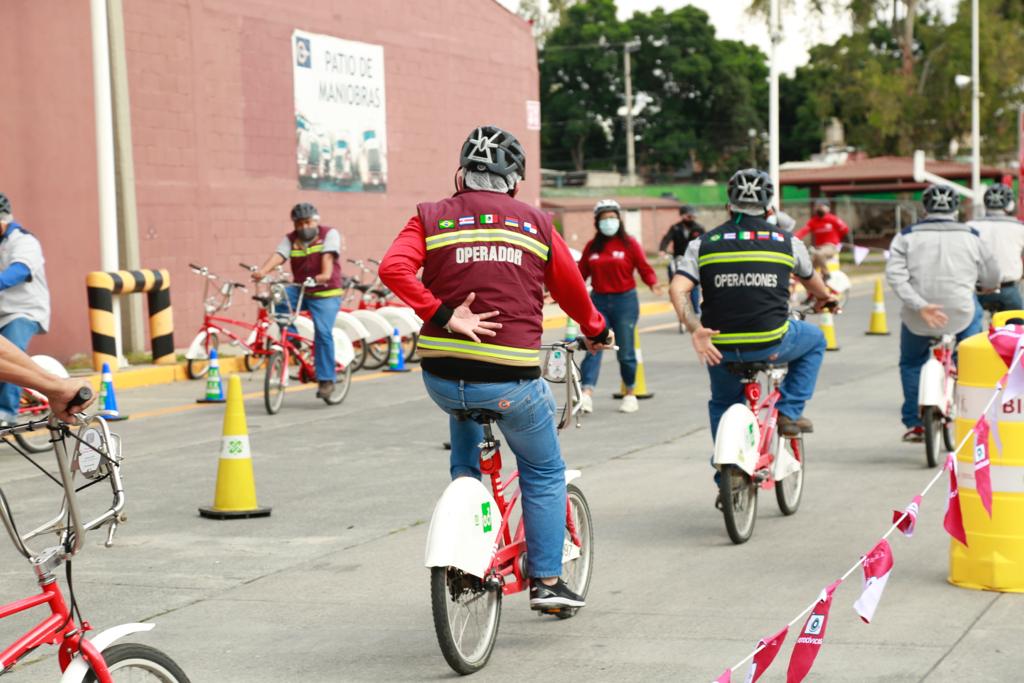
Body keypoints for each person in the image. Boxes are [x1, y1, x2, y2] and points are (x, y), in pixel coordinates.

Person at [379, 125, 612, 611]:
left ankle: (465, 524)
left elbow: (392, 270)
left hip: (442, 380)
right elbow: (572, 294)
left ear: (462, 173)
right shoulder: (537, 224)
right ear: (514, 181)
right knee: (544, 471)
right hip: (510, 383)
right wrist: (595, 330)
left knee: (465, 418)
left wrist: (444, 315)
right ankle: (547, 582)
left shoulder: (429, 217)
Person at [668, 169, 836, 457]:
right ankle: (789, 411)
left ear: (728, 205)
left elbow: (677, 289)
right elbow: (815, 285)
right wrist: (827, 298)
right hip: (771, 342)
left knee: (723, 402)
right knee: (816, 340)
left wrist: (696, 328)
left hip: (719, 347)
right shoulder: (787, 242)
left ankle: (725, 477)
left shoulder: (703, 244)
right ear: (770, 206)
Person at [886, 184, 999, 442]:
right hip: (960, 313)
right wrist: (987, 285)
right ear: (955, 208)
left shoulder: (906, 236)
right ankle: (971, 414)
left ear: (925, 208)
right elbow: (992, 272)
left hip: (919, 315)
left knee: (912, 362)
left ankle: (915, 423)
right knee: (970, 360)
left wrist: (920, 305)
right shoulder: (973, 235)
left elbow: (894, 275)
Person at [578, 199, 663, 414]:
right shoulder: (592, 247)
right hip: (598, 302)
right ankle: (586, 394)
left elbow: (644, 267)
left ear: (619, 219)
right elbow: (579, 274)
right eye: (604, 218)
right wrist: (560, 292)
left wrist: (653, 282)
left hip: (625, 302)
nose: (609, 222)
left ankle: (630, 394)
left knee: (625, 352)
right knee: (594, 348)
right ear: (597, 222)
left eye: (612, 217)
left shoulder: (629, 244)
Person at [251, 203, 342, 399]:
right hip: (301, 289)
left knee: (323, 332)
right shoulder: (290, 239)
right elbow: (279, 255)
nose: (304, 227)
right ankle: (293, 339)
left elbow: (327, 256)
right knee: (278, 295)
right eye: (299, 223)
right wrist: (262, 272)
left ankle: (326, 379)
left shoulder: (329, 234)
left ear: (316, 221)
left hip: (326, 292)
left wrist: (325, 274)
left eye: (308, 222)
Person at [0, 193, 53, 424]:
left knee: (11, 355)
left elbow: (19, 270)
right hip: (2, 313)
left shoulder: (24, 241)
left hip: (24, 311)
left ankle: (6, 412)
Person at [970, 183, 1024, 313]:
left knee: (973, 327)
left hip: (978, 289)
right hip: (1008, 288)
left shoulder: (970, 226)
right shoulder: (1019, 227)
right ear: (1010, 205)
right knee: (1018, 328)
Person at [659, 204, 704, 315]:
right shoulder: (675, 228)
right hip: (678, 258)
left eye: (693, 216)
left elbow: (705, 241)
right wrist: (662, 250)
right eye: (689, 216)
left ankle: (696, 309)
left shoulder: (699, 228)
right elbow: (666, 239)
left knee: (693, 283)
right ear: (682, 216)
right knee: (670, 267)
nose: (691, 218)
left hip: (693, 260)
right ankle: (672, 289)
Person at [795, 199, 850, 281]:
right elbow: (803, 231)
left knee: (819, 254)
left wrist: (836, 240)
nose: (818, 209)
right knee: (807, 265)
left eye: (820, 206)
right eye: (816, 207)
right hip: (818, 247)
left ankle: (826, 274)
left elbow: (845, 230)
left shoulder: (833, 219)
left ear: (827, 208)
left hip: (830, 246)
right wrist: (793, 238)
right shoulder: (813, 221)